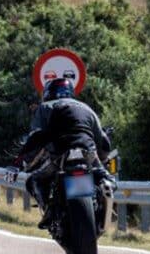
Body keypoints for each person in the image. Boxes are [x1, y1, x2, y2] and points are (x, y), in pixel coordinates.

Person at [12, 78, 113, 229]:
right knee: (106, 178)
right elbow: (103, 141)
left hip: (59, 155)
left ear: (48, 93)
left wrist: (19, 162)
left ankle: (48, 212)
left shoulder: (44, 107)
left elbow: (36, 137)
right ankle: (103, 195)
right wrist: (103, 160)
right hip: (88, 154)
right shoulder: (86, 108)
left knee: (34, 180)